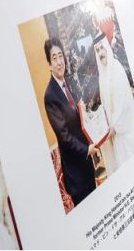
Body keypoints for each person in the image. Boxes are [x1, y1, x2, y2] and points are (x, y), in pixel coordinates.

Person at [42, 38, 96, 207]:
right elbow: (64, 135)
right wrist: (86, 150)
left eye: (60, 56)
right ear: (49, 64)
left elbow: (79, 117)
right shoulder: (50, 96)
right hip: (75, 173)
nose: (59, 62)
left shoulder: (69, 83)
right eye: (55, 58)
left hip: (87, 165)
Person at [94, 35, 134, 171]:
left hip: (127, 131)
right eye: (97, 50)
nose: (100, 53)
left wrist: (115, 127)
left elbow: (124, 103)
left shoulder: (117, 69)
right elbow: (106, 106)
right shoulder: (101, 77)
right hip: (116, 136)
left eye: (102, 48)